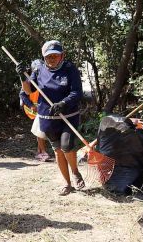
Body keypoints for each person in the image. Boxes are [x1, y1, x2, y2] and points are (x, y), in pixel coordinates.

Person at [19, 40, 85, 196]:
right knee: (57, 150)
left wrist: (63, 103)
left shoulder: (70, 69)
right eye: (49, 56)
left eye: (56, 55)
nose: (52, 58)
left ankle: (75, 172)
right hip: (47, 118)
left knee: (67, 145)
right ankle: (66, 183)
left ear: (62, 55)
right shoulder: (39, 70)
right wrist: (22, 77)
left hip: (67, 115)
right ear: (44, 57)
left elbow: (77, 92)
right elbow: (28, 91)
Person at [19, 59, 50, 162]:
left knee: (40, 130)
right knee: (39, 130)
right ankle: (42, 153)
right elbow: (23, 94)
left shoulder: (45, 77)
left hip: (42, 107)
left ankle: (39, 151)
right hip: (33, 108)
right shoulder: (31, 79)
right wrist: (31, 105)